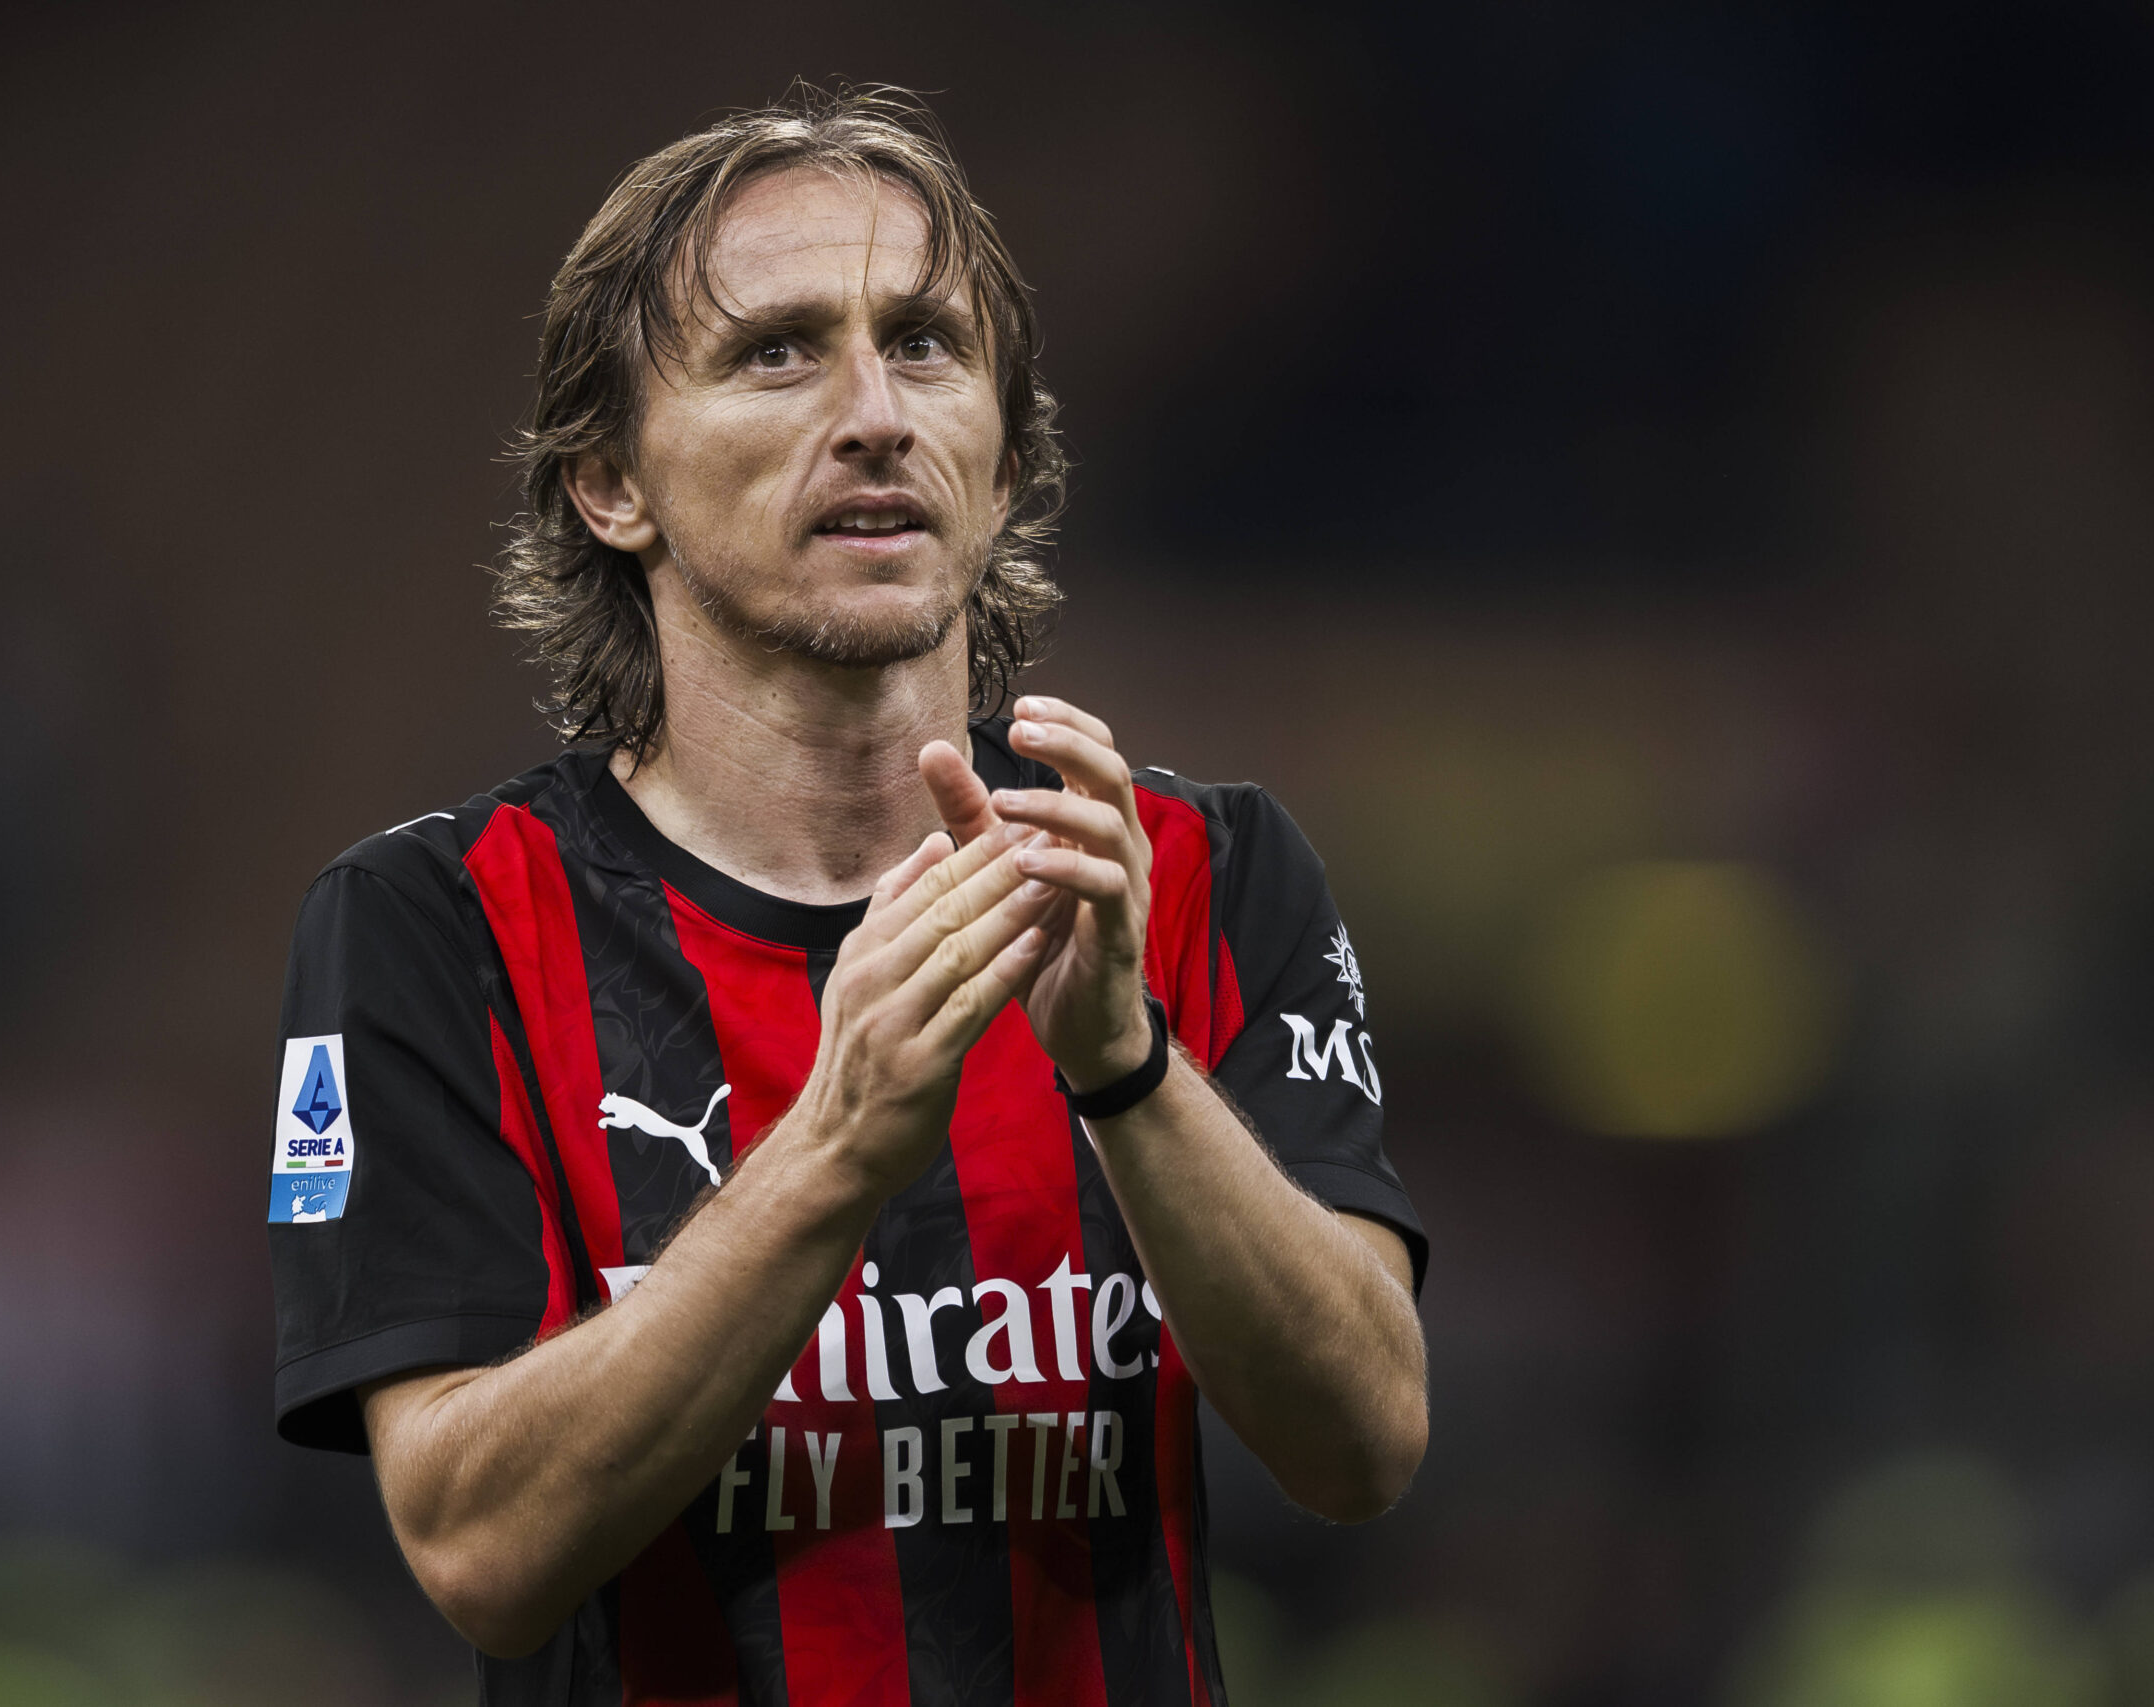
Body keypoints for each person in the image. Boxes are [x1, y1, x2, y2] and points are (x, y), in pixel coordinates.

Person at [267, 85, 1428, 1706]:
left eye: (929, 346)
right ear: (611, 483)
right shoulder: (436, 923)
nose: (875, 411)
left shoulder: (1194, 874)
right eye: (778, 352)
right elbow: (483, 1551)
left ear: (1004, 457)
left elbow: (1366, 1439)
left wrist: (1128, 1073)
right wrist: (839, 1139)